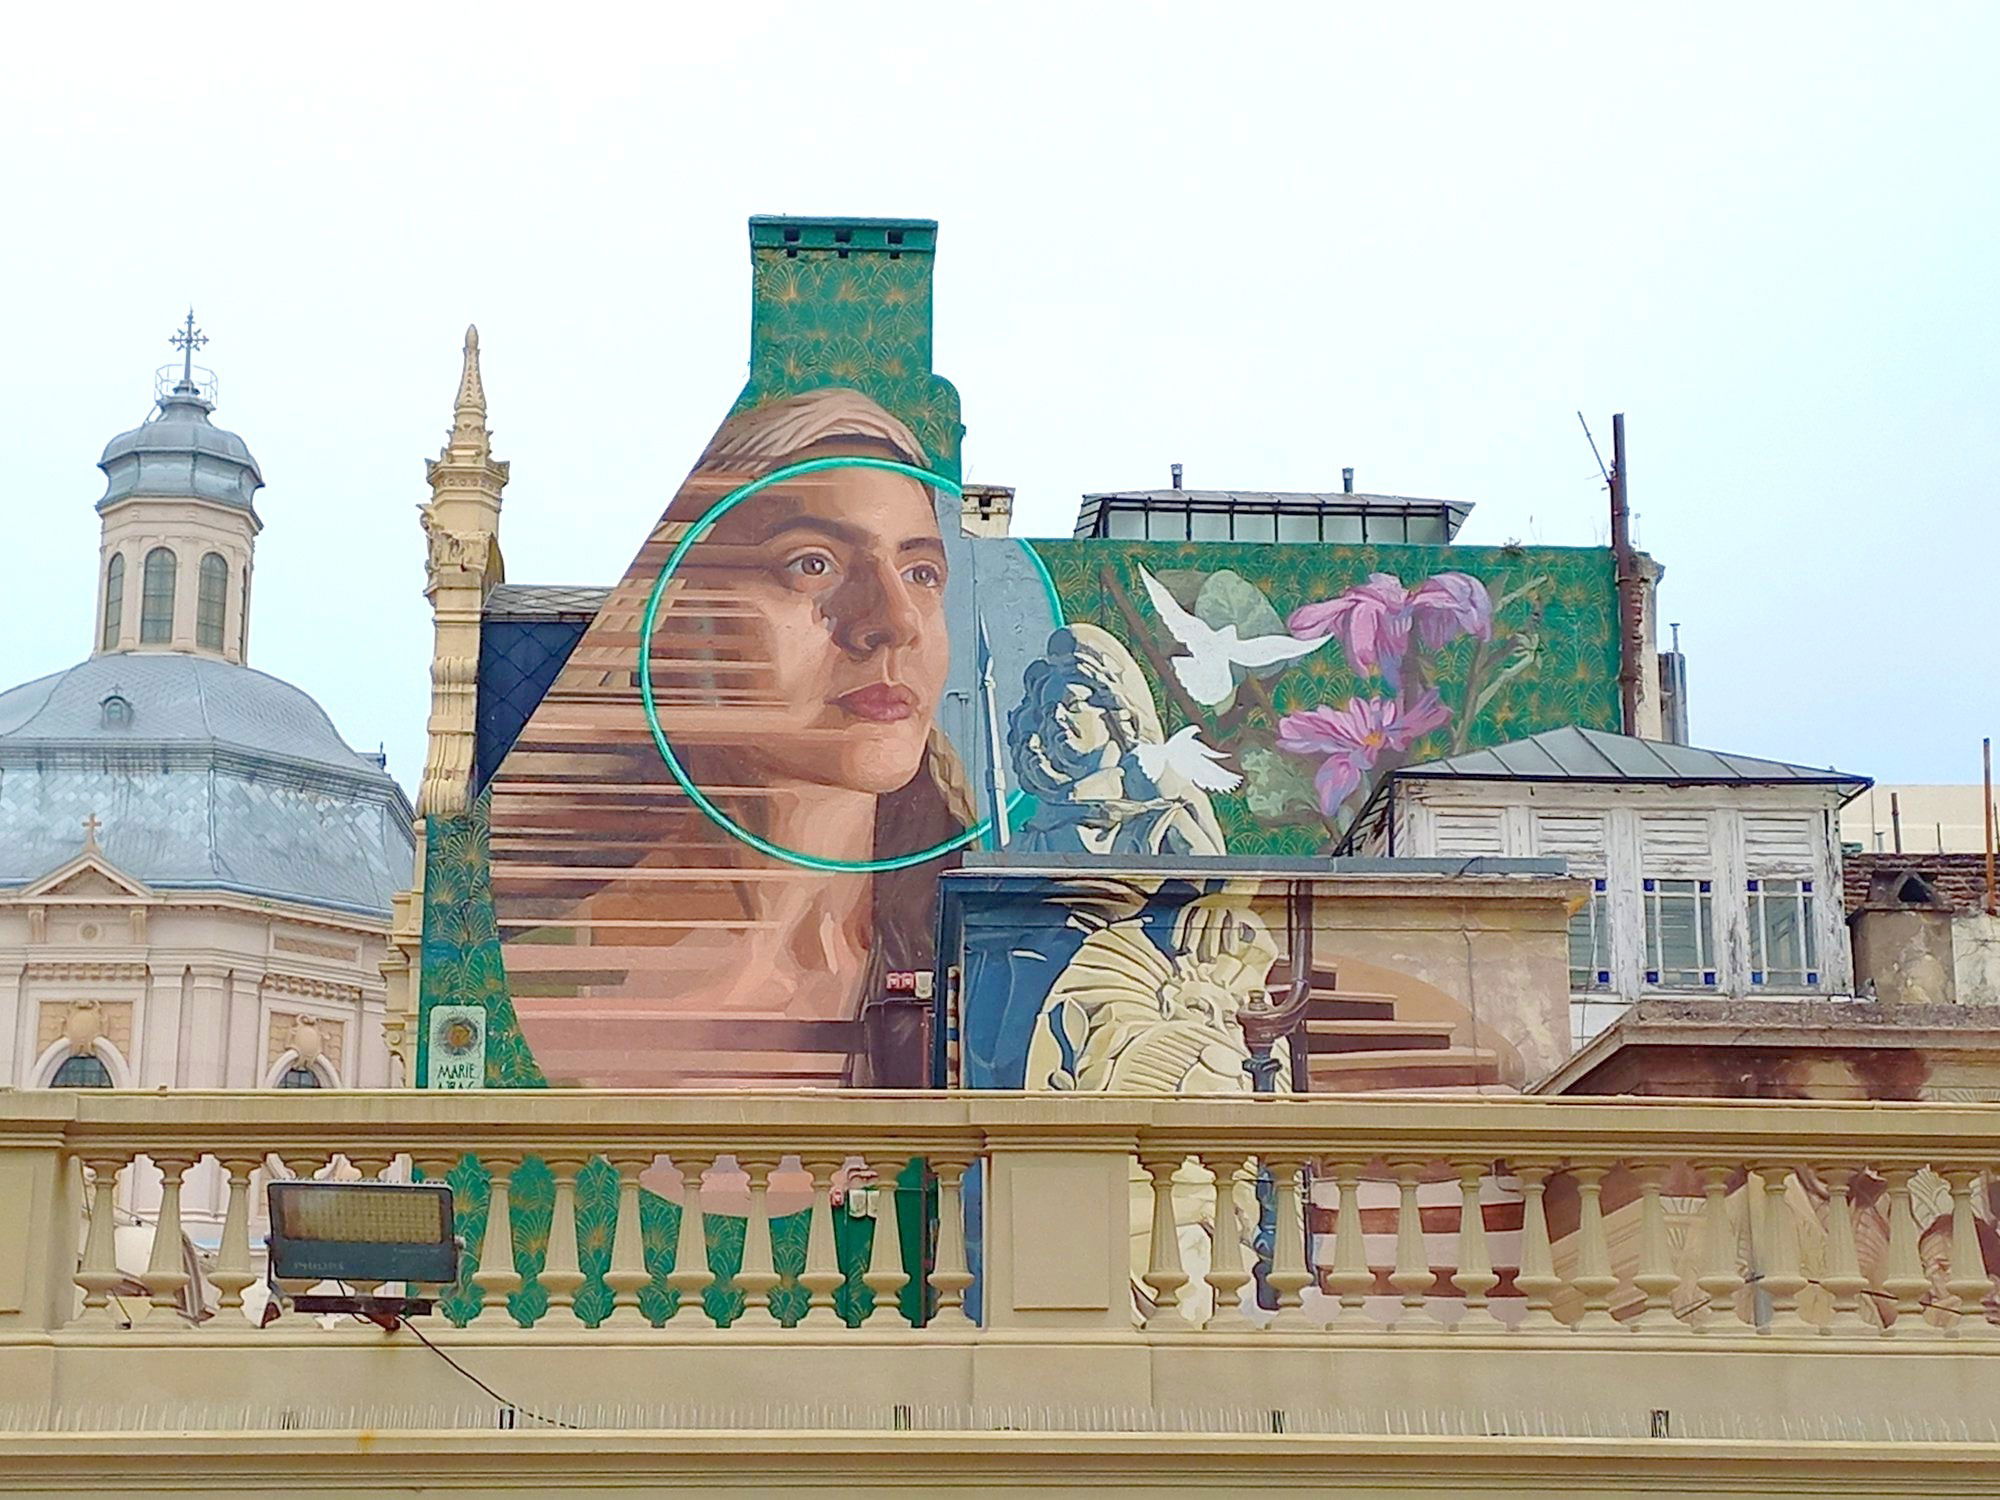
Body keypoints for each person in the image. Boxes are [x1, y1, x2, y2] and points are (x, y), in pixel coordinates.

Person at [495, 386, 972, 1086]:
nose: (893, 620)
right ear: (678, 616)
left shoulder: (987, 967)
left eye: (921, 573)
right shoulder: (558, 980)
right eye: (812, 563)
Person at [1007, 624, 1227, 856]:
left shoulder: (1160, 821)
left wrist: (1177, 793)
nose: (1057, 717)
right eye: (1048, 710)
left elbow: (1213, 880)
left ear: (1114, 712)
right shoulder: (1034, 840)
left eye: (1074, 704)